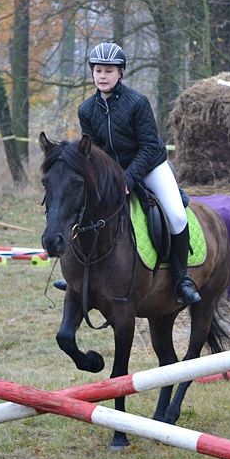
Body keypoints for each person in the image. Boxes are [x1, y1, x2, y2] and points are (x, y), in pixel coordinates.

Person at [77, 41, 200, 305]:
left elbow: (148, 146)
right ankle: (81, 274)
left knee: (177, 216)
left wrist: (128, 179)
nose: (102, 75)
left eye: (108, 71)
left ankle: (182, 279)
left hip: (150, 166)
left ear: (120, 73)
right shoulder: (86, 110)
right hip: (114, 174)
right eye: (98, 70)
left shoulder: (137, 103)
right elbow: (94, 152)